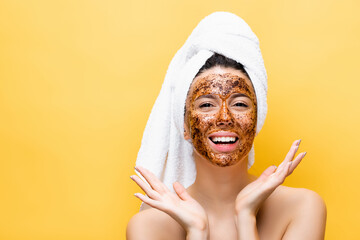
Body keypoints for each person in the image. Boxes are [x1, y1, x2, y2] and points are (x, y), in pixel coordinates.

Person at [127, 12, 327, 240]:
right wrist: (196, 230)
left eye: (240, 103)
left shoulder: (302, 208)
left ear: (256, 119)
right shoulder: (149, 227)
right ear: (184, 125)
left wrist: (245, 217)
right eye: (206, 104)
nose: (224, 117)